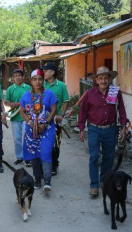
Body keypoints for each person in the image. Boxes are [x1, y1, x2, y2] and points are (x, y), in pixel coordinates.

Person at [78, 66, 127, 197]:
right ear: (96, 80)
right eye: (101, 78)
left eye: (106, 78)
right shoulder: (90, 93)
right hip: (94, 129)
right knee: (94, 157)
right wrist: (81, 129)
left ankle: (103, 180)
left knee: (108, 158)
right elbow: (83, 112)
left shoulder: (115, 92)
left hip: (111, 129)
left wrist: (123, 126)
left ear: (110, 79)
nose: (103, 81)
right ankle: (94, 185)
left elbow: (121, 110)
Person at [19, 69, 57, 191]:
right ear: (31, 81)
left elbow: (54, 110)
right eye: (35, 79)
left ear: (43, 80)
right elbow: (22, 111)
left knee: (46, 153)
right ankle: (37, 179)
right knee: (34, 154)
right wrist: (29, 122)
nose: (38, 82)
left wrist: (46, 123)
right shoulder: (26, 96)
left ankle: (47, 180)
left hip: (47, 129)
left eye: (40, 79)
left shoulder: (49, 94)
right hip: (32, 131)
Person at [43, 62, 69, 176]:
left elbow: (66, 101)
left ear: (52, 72)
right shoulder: (41, 84)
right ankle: (43, 164)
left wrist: (61, 115)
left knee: (55, 144)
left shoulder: (61, 85)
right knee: (43, 142)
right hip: (42, 120)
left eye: (45, 70)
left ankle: (54, 165)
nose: (43, 73)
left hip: (55, 121)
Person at [4, 68, 31, 166]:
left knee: (27, 138)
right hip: (15, 117)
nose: (17, 78)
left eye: (19, 75)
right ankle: (20, 157)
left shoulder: (28, 88)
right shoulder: (11, 89)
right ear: (13, 78)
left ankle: (28, 158)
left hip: (27, 117)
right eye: (15, 76)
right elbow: (6, 102)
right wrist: (13, 104)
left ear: (23, 77)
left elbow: (33, 99)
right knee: (17, 139)